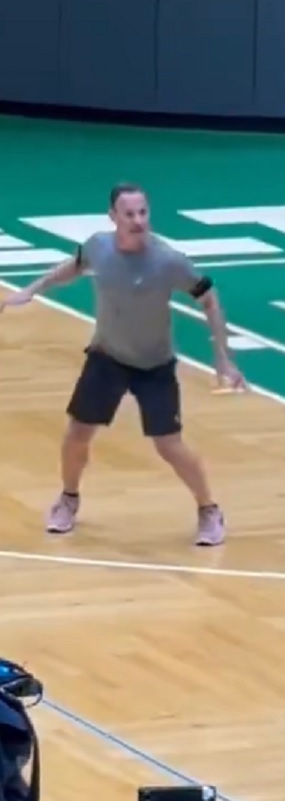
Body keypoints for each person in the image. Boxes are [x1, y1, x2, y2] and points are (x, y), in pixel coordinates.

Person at [0, 183, 243, 546]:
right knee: (76, 436)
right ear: (113, 217)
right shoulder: (98, 246)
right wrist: (31, 290)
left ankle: (209, 510)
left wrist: (223, 356)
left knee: (169, 445)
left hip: (155, 365)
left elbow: (209, 298)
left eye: (143, 212)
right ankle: (68, 499)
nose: (138, 220)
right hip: (107, 357)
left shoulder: (168, 261)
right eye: (129, 214)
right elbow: (75, 266)